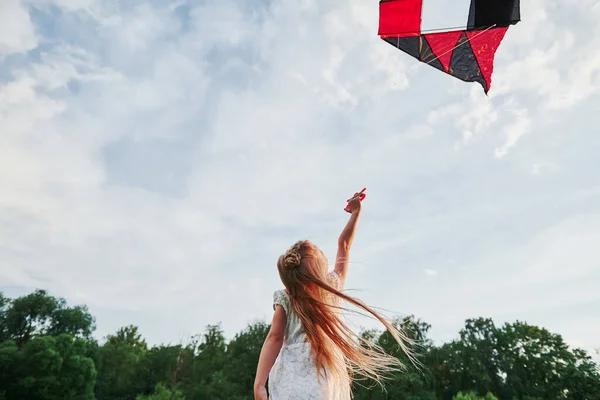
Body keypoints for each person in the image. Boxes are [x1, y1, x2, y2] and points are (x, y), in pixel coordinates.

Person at [253, 193, 418, 400]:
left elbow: (274, 338)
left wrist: (260, 384)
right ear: (318, 269)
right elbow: (344, 245)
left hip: (290, 379)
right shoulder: (329, 289)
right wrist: (356, 212)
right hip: (322, 379)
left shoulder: (287, 297)